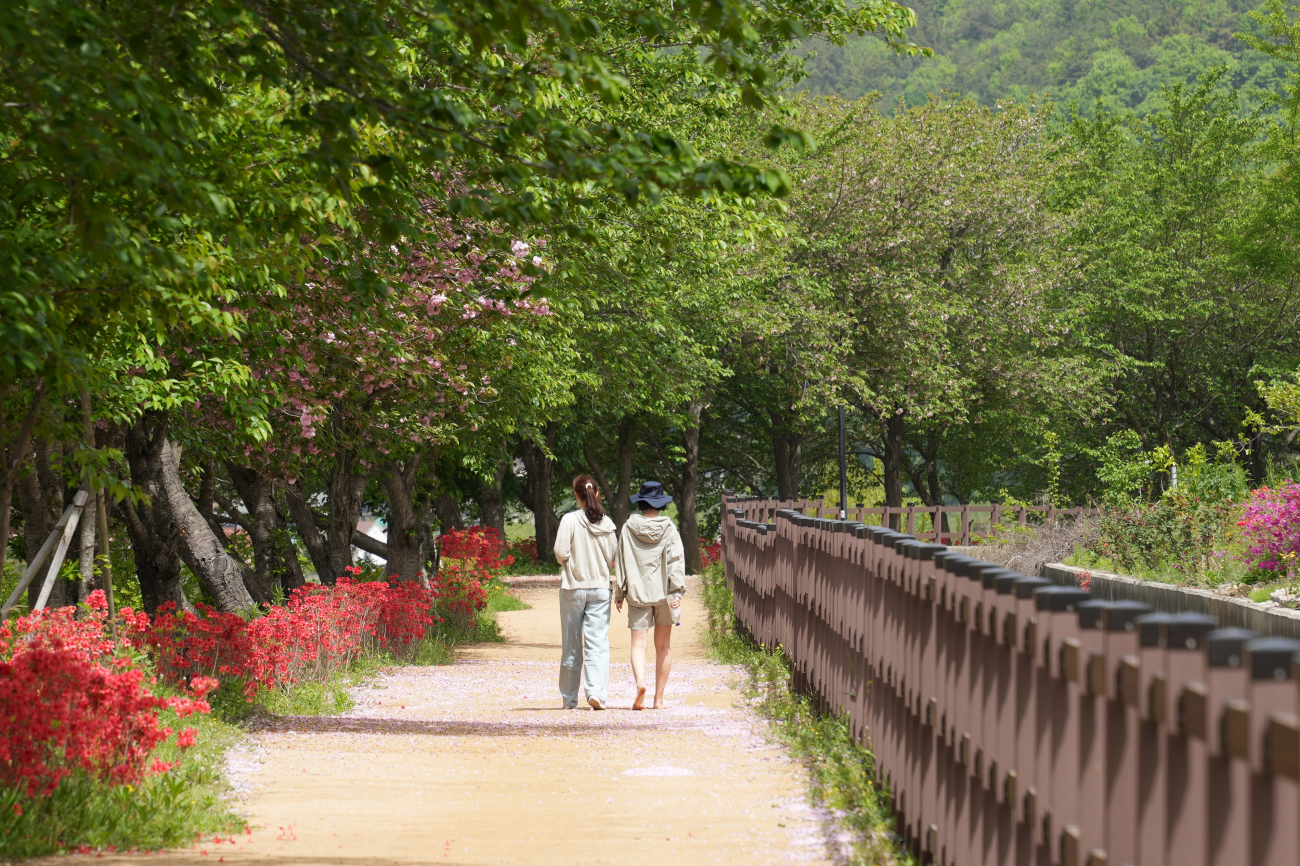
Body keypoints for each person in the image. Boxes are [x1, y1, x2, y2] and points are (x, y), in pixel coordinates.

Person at [614, 480, 686, 710]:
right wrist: (677, 591)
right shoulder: (669, 528)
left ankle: (640, 684)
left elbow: (621, 562)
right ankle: (659, 699)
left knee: (638, 644)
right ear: (661, 504)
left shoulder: (628, 527)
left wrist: (619, 592)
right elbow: (676, 561)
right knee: (663, 646)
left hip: (637, 592)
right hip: (665, 594)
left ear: (641, 503)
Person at [552, 475, 618, 710]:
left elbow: (560, 551)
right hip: (600, 589)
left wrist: (569, 562)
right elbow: (613, 558)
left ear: (576, 494)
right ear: (597, 493)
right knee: (597, 643)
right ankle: (596, 693)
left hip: (573, 587)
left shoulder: (569, 520)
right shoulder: (608, 524)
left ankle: (569, 699)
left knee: (571, 644)